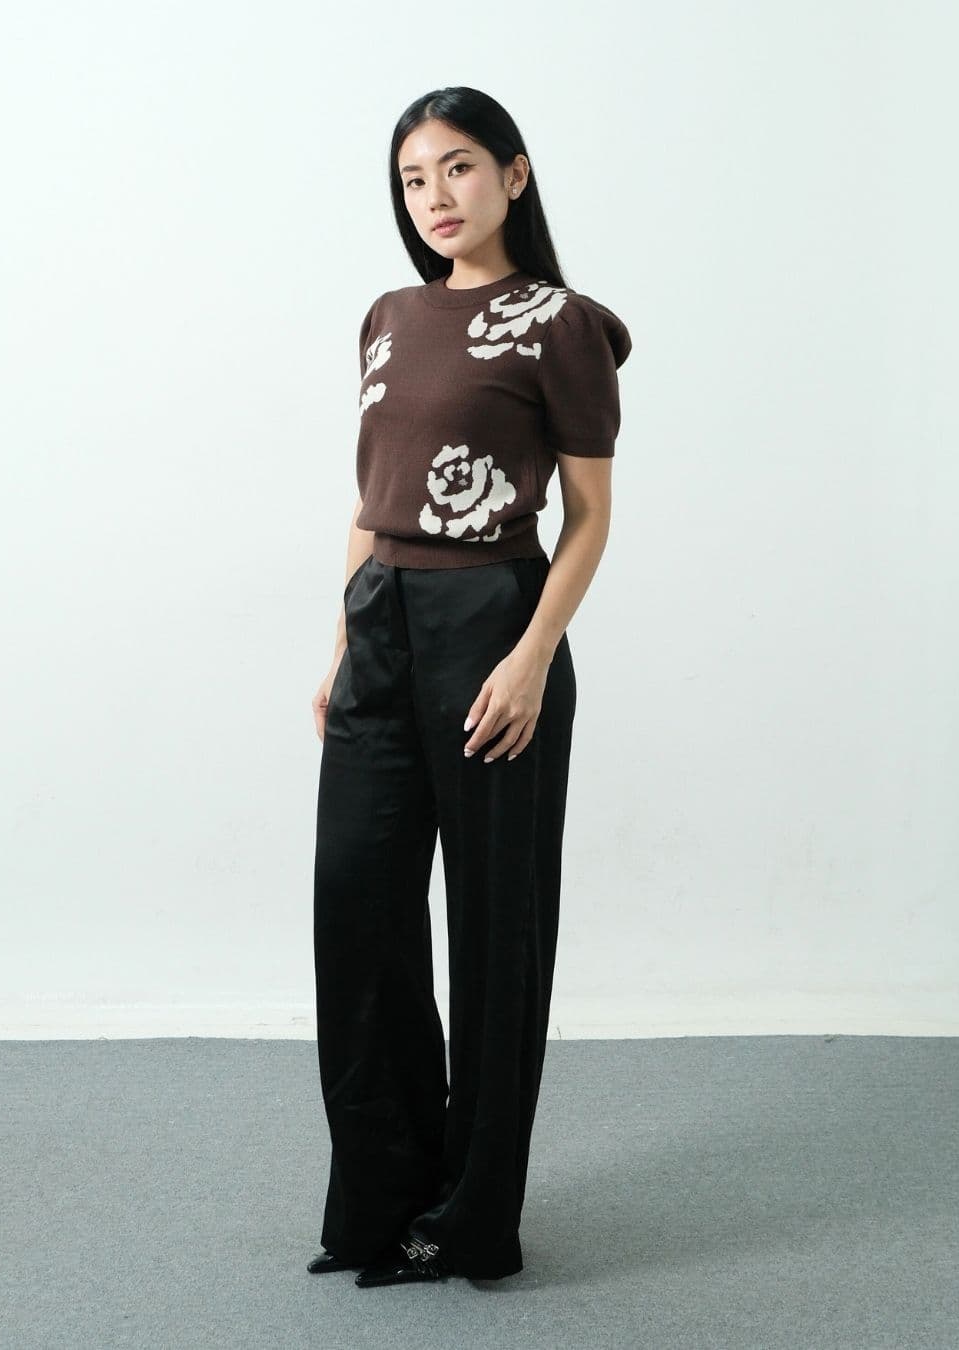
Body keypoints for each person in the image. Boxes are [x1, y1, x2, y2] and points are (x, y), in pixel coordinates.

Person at [308, 85, 632, 1288]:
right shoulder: (388, 317)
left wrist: (532, 654)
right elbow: (370, 498)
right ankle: (382, 1199)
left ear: (514, 173)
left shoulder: (564, 325)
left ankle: (471, 1216)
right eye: (413, 178)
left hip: (494, 621)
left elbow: (590, 515)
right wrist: (343, 647)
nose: (434, 197)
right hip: (381, 625)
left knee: (496, 932)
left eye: (456, 167)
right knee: (358, 914)